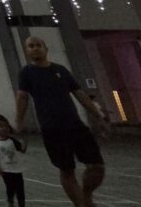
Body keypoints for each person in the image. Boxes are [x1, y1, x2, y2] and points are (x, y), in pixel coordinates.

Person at [15, 37, 110, 207]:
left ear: (46, 49)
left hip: (76, 126)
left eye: (38, 45)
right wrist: (19, 122)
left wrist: (98, 116)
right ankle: (81, 204)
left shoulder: (61, 70)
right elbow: (22, 97)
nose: (35, 48)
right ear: (26, 51)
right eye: (31, 46)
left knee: (97, 166)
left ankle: (86, 194)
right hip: (52, 129)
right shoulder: (26, 73)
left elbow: (80, 94)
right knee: (67, 169)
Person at [0, 113, 27, 207]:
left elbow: (22, 149)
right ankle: (10, 202)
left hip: (17, 169)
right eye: (1, 126)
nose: (4, 128)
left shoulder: (12, 140)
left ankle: (22, 204)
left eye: (6, 126)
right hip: (6, 170)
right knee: (10, 188)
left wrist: (24, 140)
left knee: (20, 189)